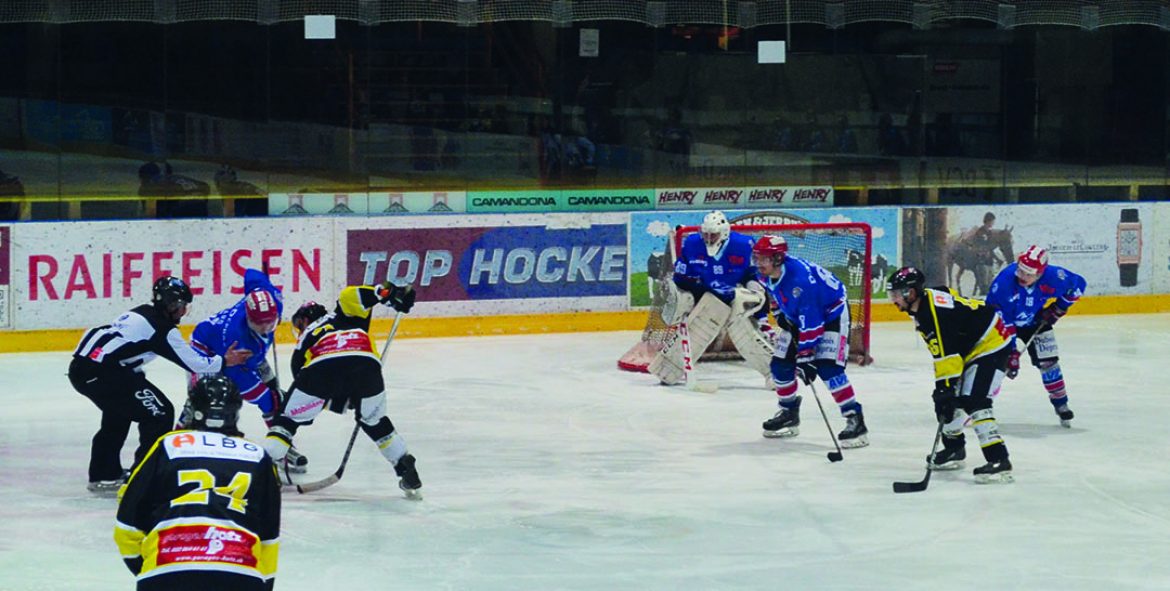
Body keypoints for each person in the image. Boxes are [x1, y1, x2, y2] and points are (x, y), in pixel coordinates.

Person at [69, 276, 252, 495]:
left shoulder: (141, 311)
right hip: (105, 374)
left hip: (85, 370)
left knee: (118, 414)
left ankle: (104, 473)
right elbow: (193, 363)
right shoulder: (163, 329)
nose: (184, 312)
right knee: (160, 413)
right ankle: (145, 477)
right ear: (173, 304)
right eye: (183, 306)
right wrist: (225, 360)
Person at [114, 375, 281, 590]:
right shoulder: (259, 456)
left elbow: (127, 525)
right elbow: (269, 536)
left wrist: (148, 569)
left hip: (166, 571)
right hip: (241, 575)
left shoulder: (168, 445)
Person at [264, 282, 423, 499]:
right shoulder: (348, 313)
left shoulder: (304, 341)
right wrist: (390, 293)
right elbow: (353, 294)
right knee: (375, 421)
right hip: (366, 366)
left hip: (321, 367)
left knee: (286, 421)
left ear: (305, 319)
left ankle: (262, 468)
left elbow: (314, 392)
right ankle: (404, 465)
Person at [886, 266, 1014, 483]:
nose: (893, 300)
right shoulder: (924, 305)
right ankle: (954, 449)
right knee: (947, 402)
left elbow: (949, 356)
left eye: (897, 295)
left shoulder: (932, 314)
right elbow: (949, 299)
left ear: (912, 293)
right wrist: (944, 390)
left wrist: (944, 388)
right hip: (971, 345)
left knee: (975, 401)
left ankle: (999, 460)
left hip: (991, 344)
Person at [182, 268, 309, 471]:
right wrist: (267, 397)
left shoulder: (272, 298)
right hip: (209, 352)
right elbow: (241, 381)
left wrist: (263, 278)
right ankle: (177, 439)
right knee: (203, 399)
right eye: (261, 325)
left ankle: (281, 443)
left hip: (251, 356)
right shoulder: (238, 340)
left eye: (272, 323)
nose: (267, 329)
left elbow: (251, 274)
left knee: (273, 393)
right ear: (249, 319)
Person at [751, 236, 868, 448]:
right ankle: (788, 412)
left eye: (763, 258)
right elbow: (775, 294)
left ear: (777, 258)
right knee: (780, 365)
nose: (758, 263)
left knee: (828, 369)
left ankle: (855, 419)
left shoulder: (801, 282)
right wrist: (779, 315)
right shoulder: (767, 274)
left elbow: (813, 325)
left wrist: (806, 357)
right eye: (757, 257)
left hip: (831, 314)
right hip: (802, 316)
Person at [648, 211, 774, 387]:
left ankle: (774, 372)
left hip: (732, 295)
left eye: (712, 235)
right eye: (705, 234)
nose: (708, 239)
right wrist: (686, 300)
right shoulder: (692, 244)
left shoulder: (743, 245)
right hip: (705, 296)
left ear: (723, 233)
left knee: (742, 328)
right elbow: (681, 280)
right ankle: (669, 369)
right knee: (703, 320)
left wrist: (758, 301)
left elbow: (752, 275)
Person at [985, 246, 1086, 427]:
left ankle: (1061, 403)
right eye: (1020, 270)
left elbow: (1079, 285)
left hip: (1036, 321)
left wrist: (1059, 308)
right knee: (995, 363)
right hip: (1004, 323)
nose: (1022, 276)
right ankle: (978, 405)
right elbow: (999, 315)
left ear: (1040, 273)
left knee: (1049, 361)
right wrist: (1011, 351)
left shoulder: (1055, 277)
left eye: (1029, 273)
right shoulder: (1004, 282)